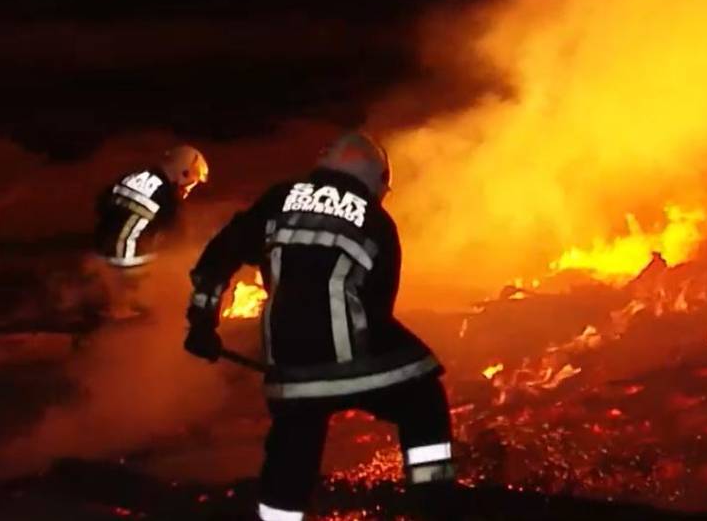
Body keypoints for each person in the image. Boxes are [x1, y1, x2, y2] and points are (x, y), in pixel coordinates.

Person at [182, 132, 456, 520]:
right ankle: (433, 504)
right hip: (356, 361)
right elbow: (379, 303)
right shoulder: (376, 220)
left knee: (292, 455)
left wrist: (201, 323)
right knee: (424, 397)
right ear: (376, 177)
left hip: (290, 369)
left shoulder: (279, 199)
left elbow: (218, 257)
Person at [90, 144, 209, 320]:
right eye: (192, 183)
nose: (189, 189)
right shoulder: (167, 199)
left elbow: (102, 203)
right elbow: (177, 241)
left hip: (98, 254)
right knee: (165, 279)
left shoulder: (134, 176)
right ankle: (123, 310)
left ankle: (100, 296)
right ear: (183, 173)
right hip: (126, 265)